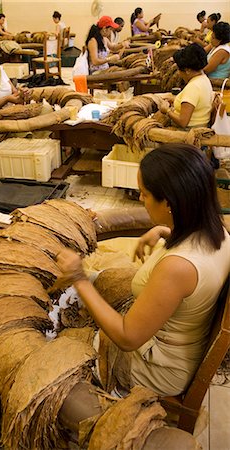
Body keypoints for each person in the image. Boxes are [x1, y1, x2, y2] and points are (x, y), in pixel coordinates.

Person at [56, 143, 230, 397]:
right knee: (103, 282)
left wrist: (78, 278)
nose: (140, 199)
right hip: (180, 340)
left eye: (144, 194)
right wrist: (164, 231)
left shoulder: (178, 267)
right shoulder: (218, 231)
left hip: (159, 368)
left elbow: (128, 338)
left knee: (61, 343)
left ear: (169, 203)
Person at [159, 43, 213, 129]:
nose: (179, 74)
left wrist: (167, 110)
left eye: (179, 70)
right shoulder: (204, 79)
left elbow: (183, 122)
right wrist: (176, 100)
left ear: (187, 70)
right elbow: (194, 102)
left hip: (186, 133)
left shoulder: (193, 87)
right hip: (197, 127)